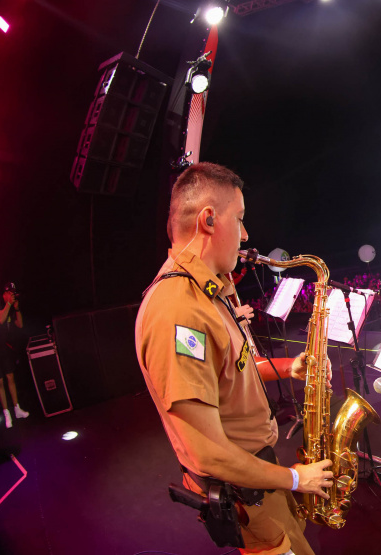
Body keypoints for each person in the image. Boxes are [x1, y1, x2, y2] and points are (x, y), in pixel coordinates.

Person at [135, 163, 331, 555]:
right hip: (246, 488)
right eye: (239, 219)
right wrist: (294, 479)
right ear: (209, 219)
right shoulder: (179, 309)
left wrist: (287, 367)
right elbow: (206, 453)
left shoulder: (211, 292)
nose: (245, 235)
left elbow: (235, 369)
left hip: (259, 475)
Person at [0, 282, 30, 428]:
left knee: (11, 376)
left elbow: (20, 325)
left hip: (3, 346)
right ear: (5, 293)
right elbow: (1, 319)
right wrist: (9, 305)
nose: (13, 295)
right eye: (10, 293)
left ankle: (17, 409)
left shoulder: (11, 305)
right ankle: (6, 413)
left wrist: (17, 309)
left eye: (14, 293)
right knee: (0, 381)